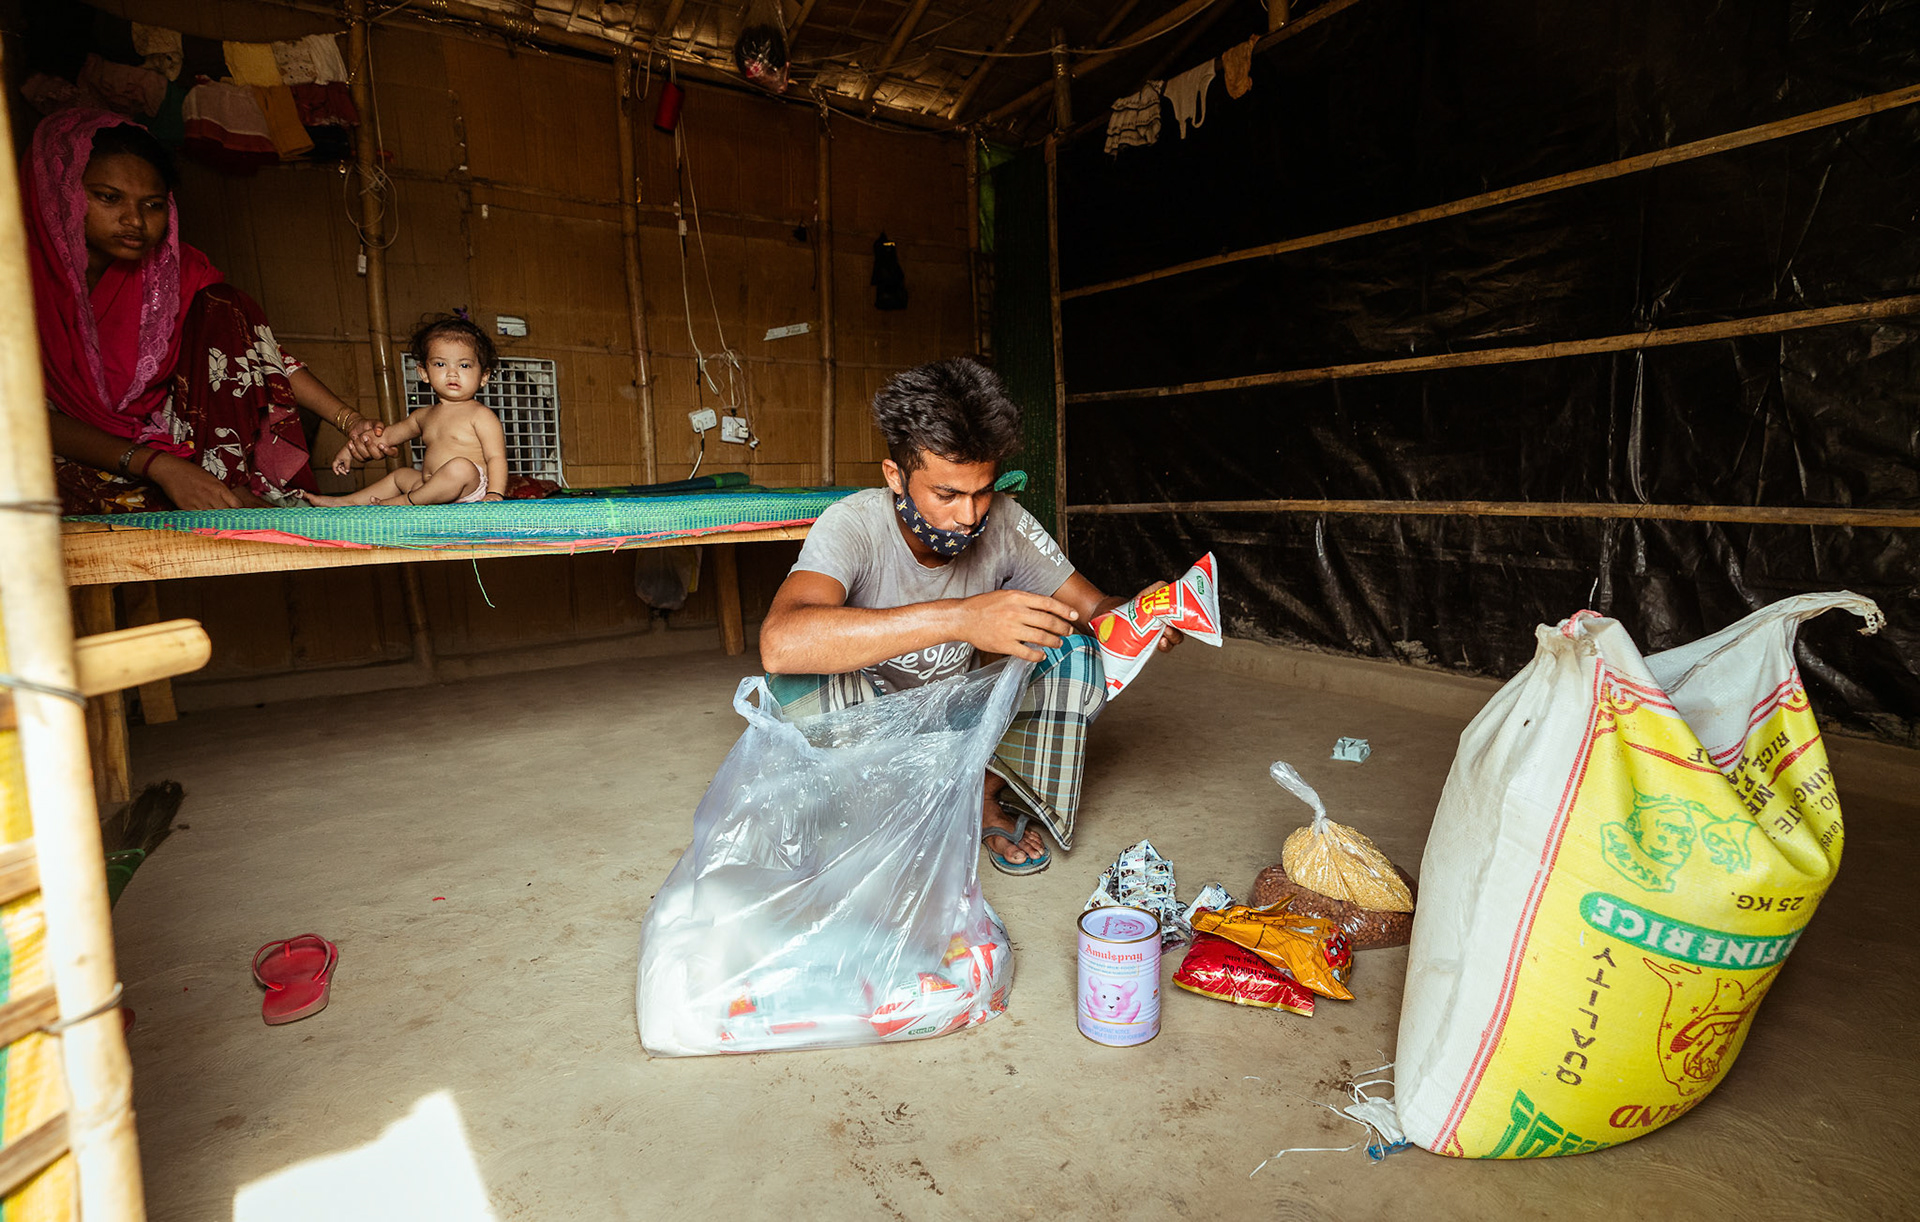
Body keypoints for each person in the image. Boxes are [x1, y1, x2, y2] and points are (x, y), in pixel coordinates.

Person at [758, 357, 1181, 876]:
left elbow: (1093, 611)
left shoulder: (1005, 522)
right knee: (795, 689)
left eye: (982, 490)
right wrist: (960, 618)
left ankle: (978, 797)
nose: (970, 513)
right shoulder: (852, 525)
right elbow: (780, 643)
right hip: (873, 734)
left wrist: (1142, 613)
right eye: (947, 494)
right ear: (896, 475)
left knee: (1076, 654)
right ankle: (892, 812)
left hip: (960, 726)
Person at [25, 108, 386, 513]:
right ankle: (212, 493)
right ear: (60, 191)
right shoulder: (15, 283)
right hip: (61, 453)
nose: (134, 220)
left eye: (153, 204)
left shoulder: (176, 272)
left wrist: (350, 420)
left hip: (171, 447)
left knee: (223, 304)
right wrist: (158, 466)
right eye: (108, 198)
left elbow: (258, 355)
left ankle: (226, 484)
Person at [302, 316, 507, 506]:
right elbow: (386, 437)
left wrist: (495, 493)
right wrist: (350, 449)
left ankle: (404, 503)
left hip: (467, 491)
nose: (452, 372)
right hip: (428, 489)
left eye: (464, 365)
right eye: (440, 364)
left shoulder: (481, 415)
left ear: (483, 377)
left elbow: (496, 457)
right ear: (424, 373)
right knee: (400, 475)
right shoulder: (423, 415)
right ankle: (346, 503)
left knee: (461, 467)